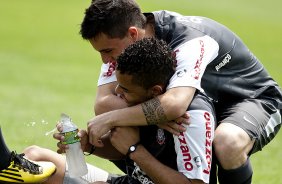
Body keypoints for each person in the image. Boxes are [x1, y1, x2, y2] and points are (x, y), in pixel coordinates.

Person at [80, 0, 282, 183]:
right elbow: (104, 103)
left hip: (252, 99)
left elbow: (174, 105)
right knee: (134, 122)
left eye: (107, 51)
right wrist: (156, 114)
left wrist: (115, 119)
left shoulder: (189, 39)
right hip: (202, 105)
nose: (105, 61)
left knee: (227, 143)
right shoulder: (128, 47)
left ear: (133, 33)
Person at [31, 38, 216, 184]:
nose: (118, 92)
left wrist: (135, 150)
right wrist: (88, 145)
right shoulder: (142, 104)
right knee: (35, 156)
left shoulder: (191, 119)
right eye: (118, 85)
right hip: (132, 180)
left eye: (126, 89)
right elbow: (122, 147)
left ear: (155, 91)